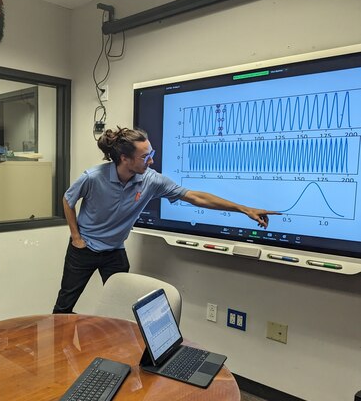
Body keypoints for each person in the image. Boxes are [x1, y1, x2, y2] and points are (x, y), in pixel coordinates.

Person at [52, 127, 280, 314]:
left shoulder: (151, 181)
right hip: (84, 249)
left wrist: (244, 209)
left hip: (114, 251)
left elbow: (196, 197)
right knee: (64, 306)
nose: (151, 160)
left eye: (152, 153)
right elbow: (68, 200)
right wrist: (76, 237)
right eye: (145, 156)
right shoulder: (93, 177)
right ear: (124, 158)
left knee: (123, 308)